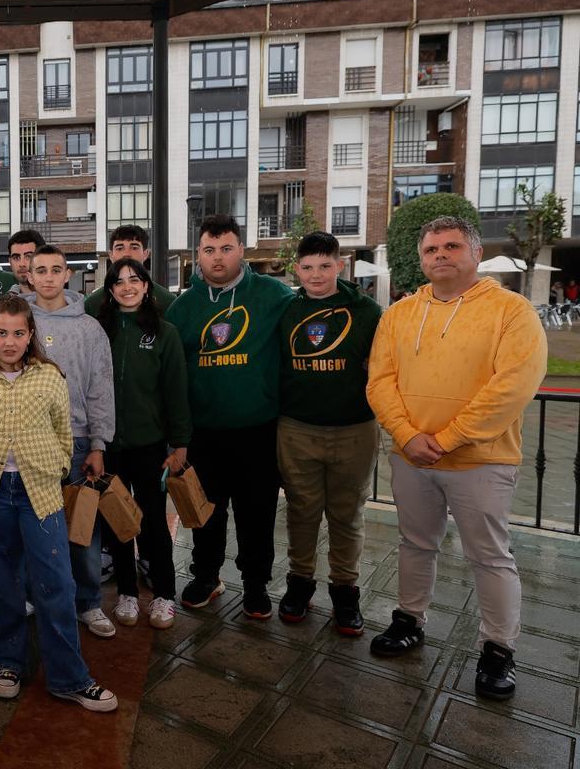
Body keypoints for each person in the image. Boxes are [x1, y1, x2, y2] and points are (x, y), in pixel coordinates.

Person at [366, 216, 546, 700]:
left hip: (481, 460)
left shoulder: (512, 311)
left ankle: (497, 649)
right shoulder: (399, 314)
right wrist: (406, 434)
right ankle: (409, 619)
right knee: (414, 543)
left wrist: (448, 438)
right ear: (421, 258)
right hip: (413, 457)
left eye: (451, 246)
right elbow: (380, 381)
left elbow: (512, 386)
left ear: (476, 253)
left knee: (489, 556)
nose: (440, 255)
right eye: (431, 249)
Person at [0, 295, 118, 711]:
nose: (9, 341)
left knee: (56, 583)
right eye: (1, 332)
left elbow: (65, 433)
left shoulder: (49, 376)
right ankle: (9, 663)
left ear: (31, 336)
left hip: (39, 493)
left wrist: (54, 464)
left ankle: (70, 677)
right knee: (5, 583)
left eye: (18, 333)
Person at [164, 214, 293, 617]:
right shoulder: (183, 308)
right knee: (206, 513)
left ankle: (256, 585)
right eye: (208, 250)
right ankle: (207, 576)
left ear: (242, 250)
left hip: (258, 430)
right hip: (204, 433)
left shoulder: (274, 295)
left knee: (257, 512)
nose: (217, 258)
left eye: (226, 248)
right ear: (197, 256)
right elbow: (169, 373)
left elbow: (316, 311)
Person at [276, 232, 382, 635]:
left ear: (341, 265)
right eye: (307, 267)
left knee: (347, 514)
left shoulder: (368, 312)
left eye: (325, 266)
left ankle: (345, 590)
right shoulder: (285, 310)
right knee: (301, 512)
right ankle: (299, 583)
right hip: (297, 427)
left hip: (354, 429)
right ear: (296, 269)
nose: (316, 275)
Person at [23, 244, 116, 638]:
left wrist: (98, 444)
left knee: (82, 528)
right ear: (29, 276)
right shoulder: (18, 321)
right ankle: (36, 595)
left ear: (67, 275)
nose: (47, 277)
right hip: (29, 440)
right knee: (35, 525)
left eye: (55, 269)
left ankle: (88, 603)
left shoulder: (88, 328)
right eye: (39, 270)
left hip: (77, 440)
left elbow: (100, 389)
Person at [95, 258, 190, 631]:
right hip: (109, 445)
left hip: (150, 445)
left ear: (147, 286)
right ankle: (127, 593)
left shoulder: (163, 332)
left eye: (135, 280)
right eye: (119, 281)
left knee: (153, 522)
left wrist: (180, 444)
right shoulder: (99, 331)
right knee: (118, 522)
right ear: (110, 289)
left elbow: (176, 393)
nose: (127, 286)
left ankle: (165, 594)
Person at [84, 225, 177, 316]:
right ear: (111, 255)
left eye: (134, 247)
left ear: (145, 254)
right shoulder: (92, 304)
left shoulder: (168, 302)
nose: (126, 254)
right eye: (120, 248)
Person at [7, 229, 45, 294]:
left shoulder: (63, 302)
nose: (22, 264)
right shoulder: (3, 303)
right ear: (10, 262)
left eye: (28, 256)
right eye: (16, 258)